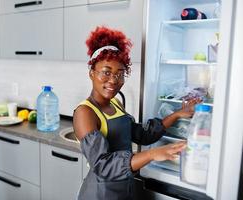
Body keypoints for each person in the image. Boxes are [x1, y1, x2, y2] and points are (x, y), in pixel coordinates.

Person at [73, 26, 200, 200]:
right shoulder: (85, 112)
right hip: (100, 194)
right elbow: (103, 165)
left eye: (120, 74)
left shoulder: (116, 104)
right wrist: (151, 154)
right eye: (106, 72)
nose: (113, 80)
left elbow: (142, 135)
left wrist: (177, 114)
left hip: (125, 188)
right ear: (91, 73)